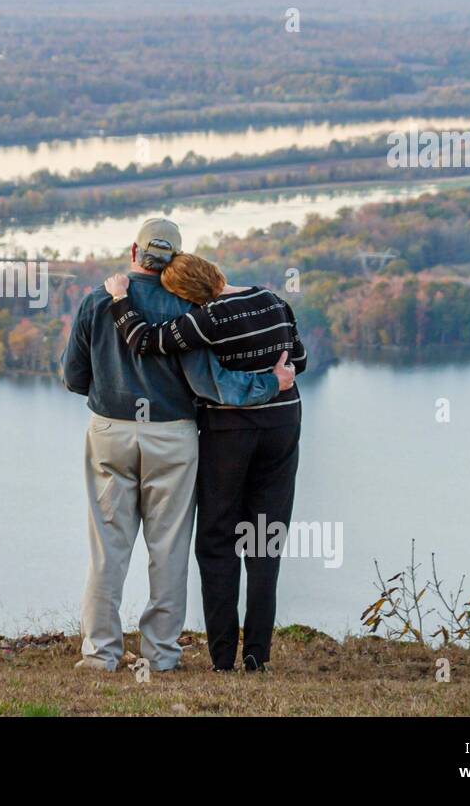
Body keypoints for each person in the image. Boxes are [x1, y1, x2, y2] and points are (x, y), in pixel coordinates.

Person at [60, 219, 294, 672]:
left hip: (110, 432)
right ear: (175, 259)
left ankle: (100, 654)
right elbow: (212, 385)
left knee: (108, 548)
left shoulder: (96, 301)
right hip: (172, 434)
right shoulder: (186, 308)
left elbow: (74, 378)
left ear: (134, 251)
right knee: (168, 548)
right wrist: (273, 382)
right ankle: (162, 655)